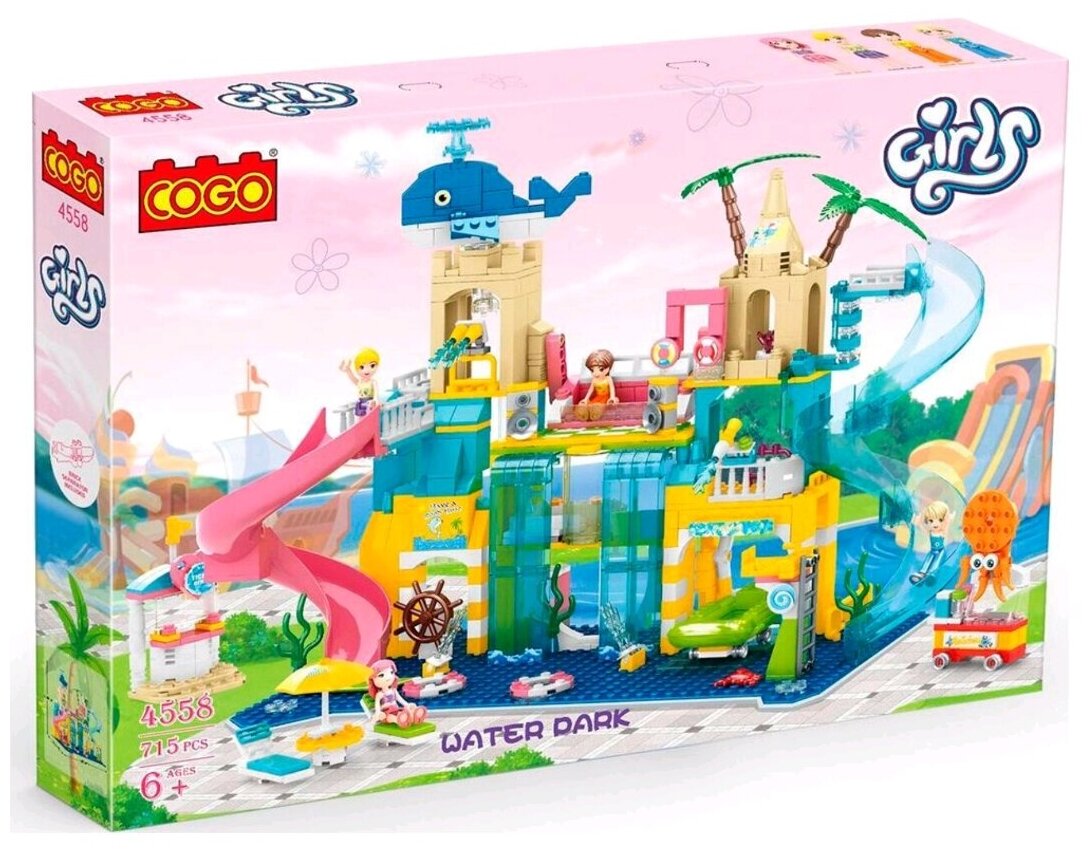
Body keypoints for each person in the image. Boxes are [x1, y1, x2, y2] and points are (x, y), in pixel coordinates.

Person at [367, 660, 427, 729]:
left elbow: (400, 699)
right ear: (373, 680)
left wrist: (407, 704)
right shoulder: (380, 694)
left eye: (391, 672)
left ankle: (414, 716)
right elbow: (377, 705)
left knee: (404, 711)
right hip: (386, 712)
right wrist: (378, 712)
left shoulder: (393, 690)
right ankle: (398, 720)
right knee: (390, 717)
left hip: (396, 709)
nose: (388, 677)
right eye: (381, 675)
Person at [910, 500, 951, 584]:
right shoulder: (930, 532)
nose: (935, 524)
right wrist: (918, 524)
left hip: (940, 551)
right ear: (927, 521)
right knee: (928, 559)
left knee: (936, 561)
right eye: (931, 521)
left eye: (940, 520)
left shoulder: (942, 533)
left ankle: (931, 574)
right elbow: (923, 529)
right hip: (932, 550)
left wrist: (948, 520)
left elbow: (946, 527)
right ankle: (922, 573)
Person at [574, 349, 618, 421]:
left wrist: (612, 397)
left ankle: (594, 415)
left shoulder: (608, 378)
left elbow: (612, 388)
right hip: (598, 397)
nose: (596, 373)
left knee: (598, 407)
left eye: (601, 369)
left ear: (609, 368)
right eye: (592, 370)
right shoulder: (594, 380)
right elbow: (590, 390)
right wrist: (586, 399)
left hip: (606, 398)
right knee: (588, 405)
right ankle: (585, 414)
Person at [339, 347, 380, 416]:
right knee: (361, 418)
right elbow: (352, 377)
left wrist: (376, 400)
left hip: (370, 404)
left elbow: (376, 394)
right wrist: (348, 370)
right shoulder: (360, 382)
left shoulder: (373, 382)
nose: (367, 370)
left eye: (372, 366)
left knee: (370, 417)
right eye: (362, 367)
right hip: (361, 404)